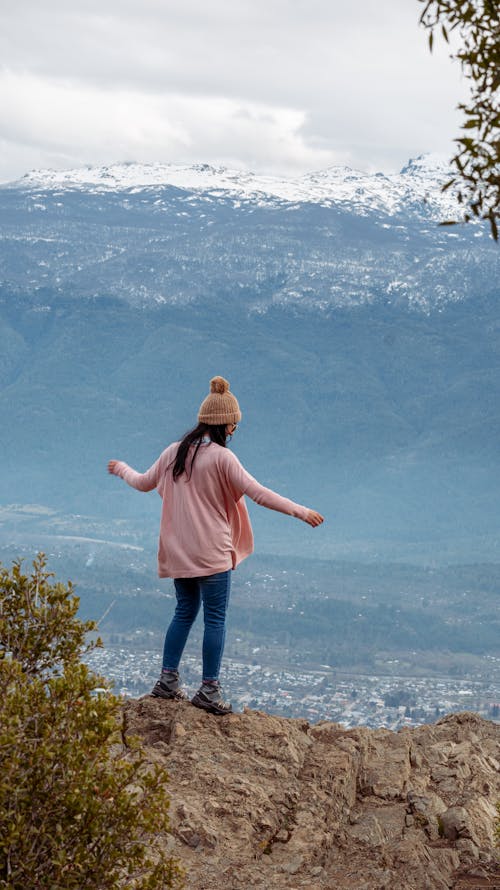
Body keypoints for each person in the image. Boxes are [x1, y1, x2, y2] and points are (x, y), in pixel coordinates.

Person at [108, 376, 324, 715]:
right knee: (215, 619)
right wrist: (300, 510)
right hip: (212, 554)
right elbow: (259, 493)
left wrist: (121, 468)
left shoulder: (173, 453)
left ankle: (167, 681)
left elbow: (141, 482)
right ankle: (208, 690)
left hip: (179, 553)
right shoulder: (223, 458)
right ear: (229, 424)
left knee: (183, 612)